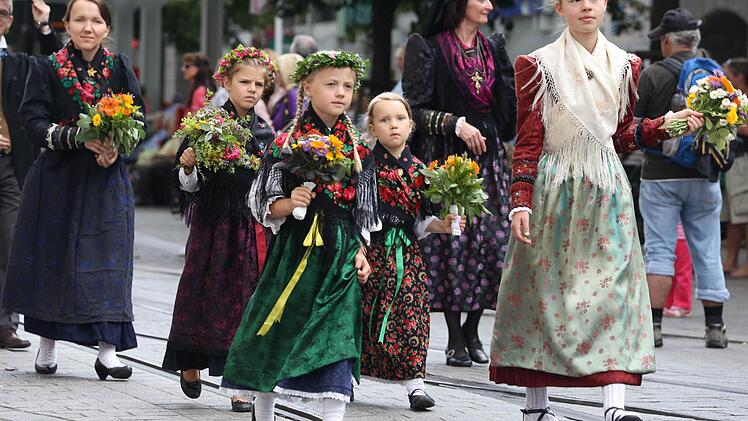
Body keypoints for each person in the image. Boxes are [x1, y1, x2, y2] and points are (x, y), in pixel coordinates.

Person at [489, 0, 704, 420]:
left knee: (615, 293)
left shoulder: (627, 64)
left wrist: (668, 124)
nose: (587, 5)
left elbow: (621, 136)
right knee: (544, 295)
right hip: (553, 190)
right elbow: (529, 140)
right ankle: (536, 407)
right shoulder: (536, 64)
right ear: (560, 6)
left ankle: (614, 406)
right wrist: (519, 201)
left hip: (608, 190)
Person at [221, 50, 375, 421]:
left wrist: (362, 250)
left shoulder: (359, 149)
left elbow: (365, 213)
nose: (341, 93)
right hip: (294, 250)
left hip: (340, 253)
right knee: (278, 326)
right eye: (331, 84)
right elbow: (262, 205)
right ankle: (264, 408)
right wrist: (290, 203)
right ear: (307, 86)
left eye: (348, 86)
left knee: (337, 334)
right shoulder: (285, 143)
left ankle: (332, 413)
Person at [2, 0, 146, 379]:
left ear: (106, 28)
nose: (87, 27)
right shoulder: (47, 67)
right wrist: (79, 139)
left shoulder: (118, 67)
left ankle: (108, 351)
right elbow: (32, 122)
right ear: (66, 24)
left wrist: (116, 146)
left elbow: (139, 119)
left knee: (110, 261)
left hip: (105, 180)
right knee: (55, 257)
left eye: (96, 20)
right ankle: (47, 347)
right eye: (80, 19)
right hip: (58, 178)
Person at [402, 0, 516, 367]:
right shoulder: (428, 46)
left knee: (491, 242)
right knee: (453, 242)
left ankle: (473, 328)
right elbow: (414, 111)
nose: (489, 5)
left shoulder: (493, 46)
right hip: (446, 155)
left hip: (488, 156)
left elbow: (507, 109)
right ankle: (454, 336)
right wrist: (454, 123)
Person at [161, 46, 276, 413]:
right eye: (244, 81)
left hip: (250, 229)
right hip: (213, 228)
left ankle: (239, 381)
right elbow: (187, 186)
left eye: (259, 84)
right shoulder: (207, 125)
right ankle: (190, 361)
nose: (252, 89)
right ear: (225, 82)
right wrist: (190, 167)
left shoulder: (265, 132)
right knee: (201, 293)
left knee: (245, 301)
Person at [360, 92, 465, 411]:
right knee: (362, 315)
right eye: (384, 119)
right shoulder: (364, 164)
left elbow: (423, 220)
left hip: (407, 253)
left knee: (413, 315)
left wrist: (444, 225)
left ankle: (415, 385)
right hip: (369, 250)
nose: (394, 125)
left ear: (410, 125)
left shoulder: (421, 171)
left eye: (400, 119)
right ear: (372, 127)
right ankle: (346, 376)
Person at [636, 8, 730, 349]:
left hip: (660, 176)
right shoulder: (717, 75)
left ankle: (655, 328)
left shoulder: (652, 75)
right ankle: (716, 327)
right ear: (695, 41)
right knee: (707, 248)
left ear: (666, 41)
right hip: (705, 175)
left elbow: (635, 125)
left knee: (659, 249)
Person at [0, 0, 62, 350]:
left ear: (9, 20)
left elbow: (58, 69)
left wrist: (44, 27)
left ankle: (5, 323)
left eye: (3, 12)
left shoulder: (18, 63)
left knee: (9, 244)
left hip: (10, 166)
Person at [721, 58, 748, 277]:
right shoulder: (734, 98)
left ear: (739, 76)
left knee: (744, 214)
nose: (725, 79)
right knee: (732, 216)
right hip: (734, 160)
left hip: (744, 161)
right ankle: (729, 261)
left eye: (729, 74)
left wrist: (730, 123)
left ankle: (746, 265)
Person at [268, 53, 302, 132]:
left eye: (279, 72)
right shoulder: (288, 92)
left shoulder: (293, 93)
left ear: (286, 72)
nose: (276, 76)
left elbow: (296, 123)